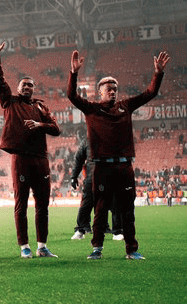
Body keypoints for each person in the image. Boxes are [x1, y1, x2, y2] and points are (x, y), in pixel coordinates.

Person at [67, 48, 170, 260]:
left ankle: (131, 249)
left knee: (127, 210)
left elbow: (150, 93)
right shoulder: (92, 109)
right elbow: (71, 96)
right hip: (101, 167)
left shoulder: (126, 106)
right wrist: (74, 73)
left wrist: (158, 73)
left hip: (124, 166)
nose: (113, 92)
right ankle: (97, 248)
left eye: (115, 89)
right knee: (100, 209)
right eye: (109, 89)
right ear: (100, 92)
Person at [0, 33, 61, 259]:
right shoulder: (10, 102)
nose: (27, 87)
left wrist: (40, 124)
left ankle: (42, 246)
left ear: (34, 88)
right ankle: (24, 246)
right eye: (24, 85)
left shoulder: (41, 107)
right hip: (20, 158)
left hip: (41, 158)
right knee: (21, 203)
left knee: (43, 205)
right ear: (18, 89)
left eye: (30, 85)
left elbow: (56, 129)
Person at [70, 135, 122, 240]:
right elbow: (79, 159)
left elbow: (119, 160)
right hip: (93, 178)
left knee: (114, 204)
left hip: (107, 177)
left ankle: (116, 232)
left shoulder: (110, 139)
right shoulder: (88, 140)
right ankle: (80, 230)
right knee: (87, 204)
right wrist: (74, 177)